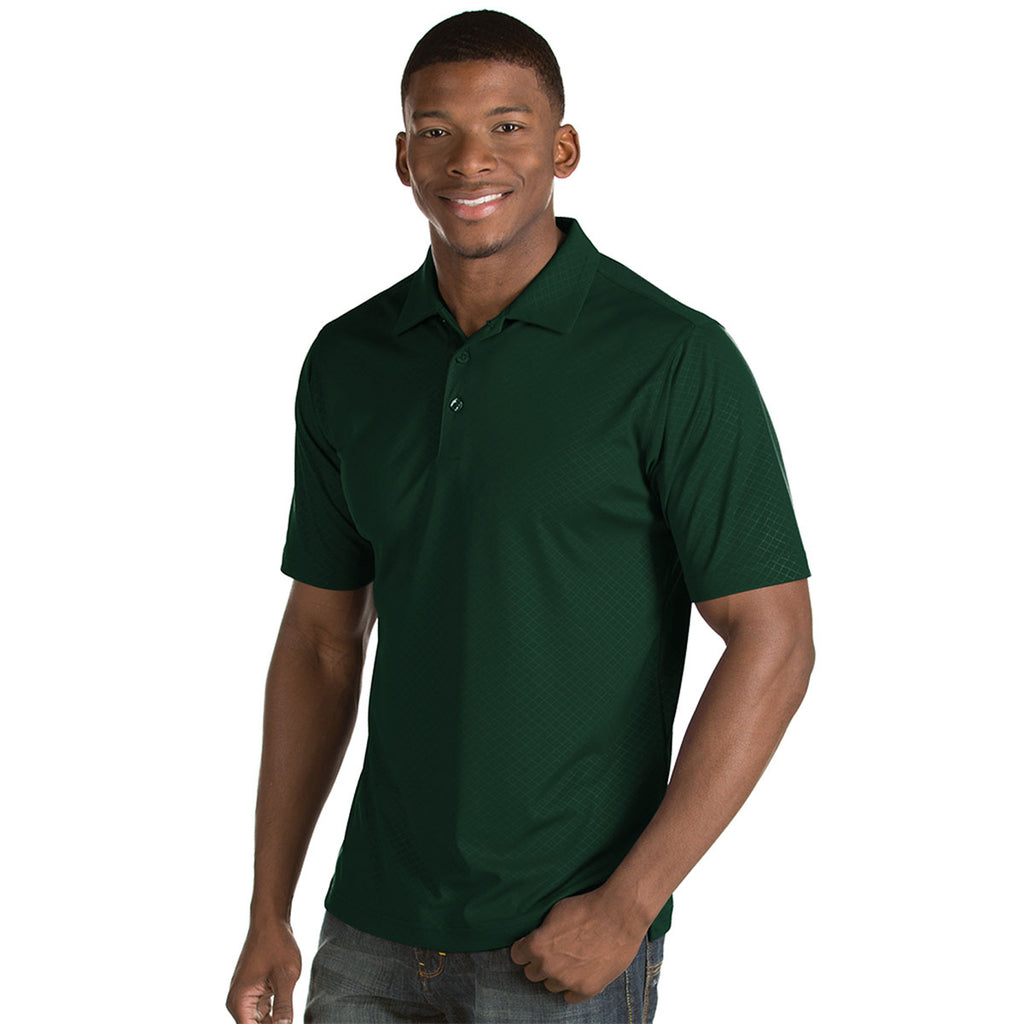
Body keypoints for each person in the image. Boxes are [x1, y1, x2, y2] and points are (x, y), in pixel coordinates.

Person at [226, 9, 814, 1024]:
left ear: (563, 149)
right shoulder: (348, 360)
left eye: (507, 126)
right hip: (368, 933)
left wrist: (628, 904)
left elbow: (775, 638)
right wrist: (267, 908)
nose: (469, 160)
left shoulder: (672, 357)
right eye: (436, 131)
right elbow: (321, 641)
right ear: (403, 159)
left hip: (559, 940)